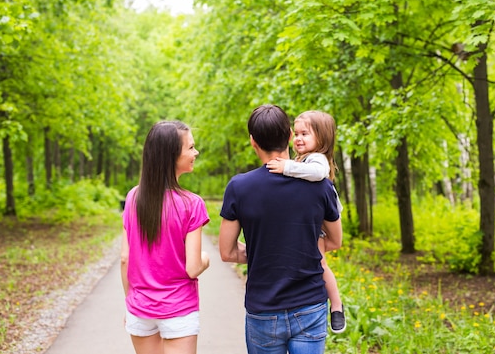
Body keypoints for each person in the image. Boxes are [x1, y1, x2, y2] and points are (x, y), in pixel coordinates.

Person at [219, 104, 342, 354]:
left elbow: (227, 252)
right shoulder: (320, 185)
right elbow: (335, 240)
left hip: (263, 308)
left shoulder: (239, 188)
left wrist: (266, 252)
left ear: (253, 142)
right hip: (310, 305)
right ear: (289, 135)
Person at [121, 120, 210, 354]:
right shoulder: (192, 204)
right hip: (179, 308)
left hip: (139, 308)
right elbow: (193, 268)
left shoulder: (133, 198)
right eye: (190, 147)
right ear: (172, 155)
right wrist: (206, 258)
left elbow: (124, 257)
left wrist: (130, 304)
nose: (196, 152)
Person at [265, 110, 346, 333]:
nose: (298, 138)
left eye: (305, 134)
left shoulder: (317, 159)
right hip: (310, 223)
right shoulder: (302, 158)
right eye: (296, 133)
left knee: (321, 265)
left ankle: (337, 306)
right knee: (316, 264)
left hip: (320, 224)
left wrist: (286, 167)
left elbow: (319, 173)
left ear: (322, 138)